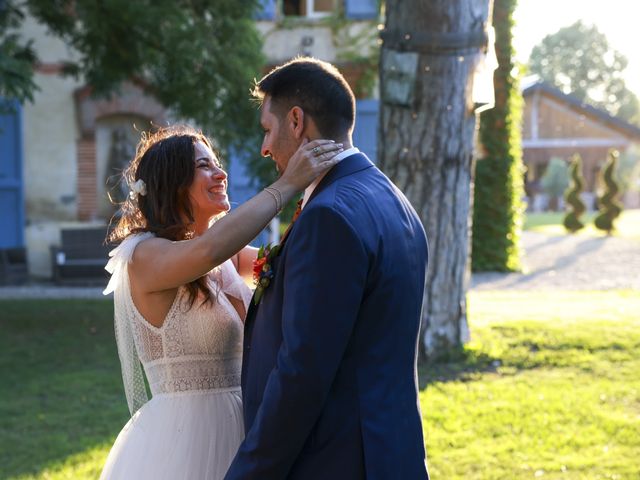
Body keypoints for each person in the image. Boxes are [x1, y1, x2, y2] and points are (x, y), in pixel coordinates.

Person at [99, 124, 344, 480]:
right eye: (204, 166)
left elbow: (293, 263)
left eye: (217, 163)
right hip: (186, 441)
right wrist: (287, 184)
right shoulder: (143, 257)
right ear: (173, 181)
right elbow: (208, 249)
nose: (221, 173)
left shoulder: (228, 259)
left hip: (247, 426)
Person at [225, 57, 430, 479]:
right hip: (388, 453)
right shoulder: (393, 200)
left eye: (268, 129)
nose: (264, 148)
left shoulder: (329, 216)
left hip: (336, 460)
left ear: (296, 121)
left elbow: (302, 372)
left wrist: (249, 472)